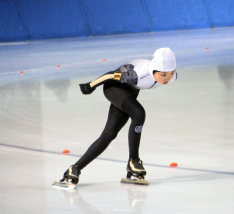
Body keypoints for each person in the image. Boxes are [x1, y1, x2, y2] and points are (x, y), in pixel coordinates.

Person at [61, 47, 177, 185]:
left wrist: (167, 75)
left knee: (109, 134)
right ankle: (134, 160)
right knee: (138, 114)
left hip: (130, 91)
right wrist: (91, 85)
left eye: (170, 74)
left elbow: (166, 74)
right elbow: (111, 75)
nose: (167, 79)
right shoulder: (137, 75)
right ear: (153, 70)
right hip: (114, 88)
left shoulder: (171, 75)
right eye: (163, 75)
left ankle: (74, 169)